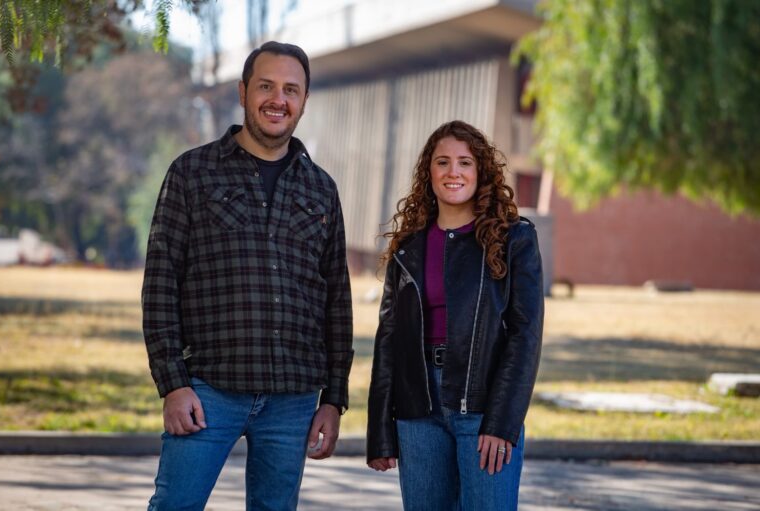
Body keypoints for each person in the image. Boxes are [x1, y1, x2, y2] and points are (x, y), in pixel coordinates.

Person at [142, 41, 353, 510]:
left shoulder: (321, 189)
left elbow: (336, 299)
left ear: (303, 101)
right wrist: (173, 383)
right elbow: (160, 285)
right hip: (208, 390)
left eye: (291, 90)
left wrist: (333, 399)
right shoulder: (192, 173)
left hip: (294, 399)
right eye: (266, 86)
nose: (278, 99)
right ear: (243, 92)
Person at [366, 120, 543, 510]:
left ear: (480, 172)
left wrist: (502, 422)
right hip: (418, 412)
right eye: (442, 162)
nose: (453, 172)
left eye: (464, 162)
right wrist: (380, 430)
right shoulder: (408, 247)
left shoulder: (514, 239)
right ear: (428, 172)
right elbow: (389, 338)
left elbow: (525, 336)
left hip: (482, 406)